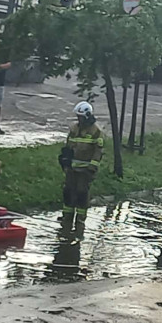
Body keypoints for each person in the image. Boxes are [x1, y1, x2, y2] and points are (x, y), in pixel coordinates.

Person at [59, 101, 104, 237]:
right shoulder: (74, 129)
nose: (79, 119)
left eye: (81, 117)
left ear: (88, 116)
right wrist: (65, 160)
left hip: (85, 170)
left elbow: (98, 151)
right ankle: (67, 218)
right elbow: (68, 146)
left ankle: (80, 220)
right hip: (72, 169)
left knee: (81, 193)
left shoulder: (96, 131)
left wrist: (92, 167)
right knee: (68, 192)